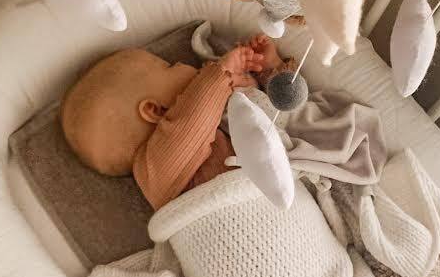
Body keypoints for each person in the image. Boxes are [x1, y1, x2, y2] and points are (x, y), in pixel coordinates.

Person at [61, 34, 295, 209]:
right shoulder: (152, 171)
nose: (183, 64)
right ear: (155, 110)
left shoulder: (215, 115)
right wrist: (220, 73)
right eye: (169, 66)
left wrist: (269, 70)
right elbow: (192, 123)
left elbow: (276, 120)